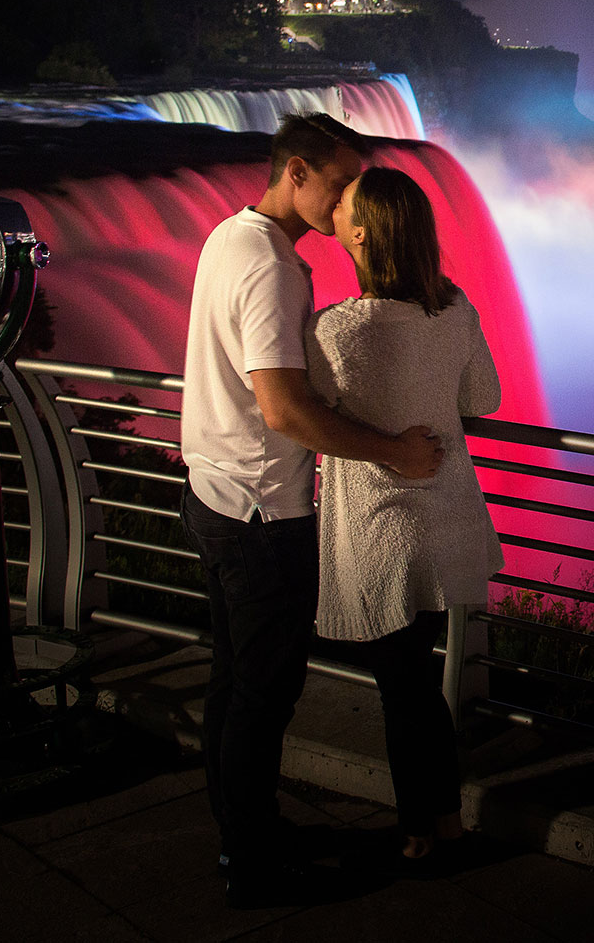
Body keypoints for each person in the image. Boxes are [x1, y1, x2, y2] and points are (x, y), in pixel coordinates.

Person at [179, 113, 445, 909]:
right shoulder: (274, 269)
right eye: (337, 184)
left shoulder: (227, 236)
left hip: (211, 489)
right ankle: (254, 862)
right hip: (262, 509)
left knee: (234, 682)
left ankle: (241, 830)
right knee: (264, 692)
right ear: (296, 171)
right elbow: (285, 410)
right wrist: (395, 449)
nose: (345, 206)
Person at [305, 165, 505, 868]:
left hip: (381, 531)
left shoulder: (334, 330)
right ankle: (441, 821)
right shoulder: (455, 309)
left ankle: (427, 829)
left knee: (404, 689)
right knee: (418, 679)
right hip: (445, 520)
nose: (333, 208)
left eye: (346, 205)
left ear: (362, 233)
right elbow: (485, 396)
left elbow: (301, 417)